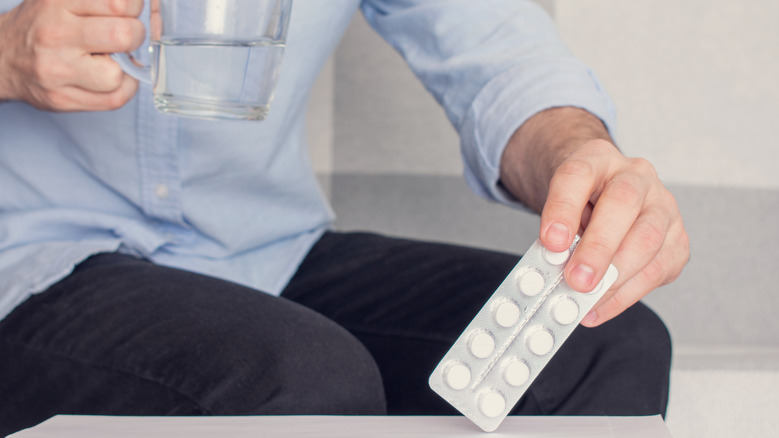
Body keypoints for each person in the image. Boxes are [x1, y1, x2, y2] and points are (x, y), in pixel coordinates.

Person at [0, 0, 689, 435]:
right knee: (304, 380)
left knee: (601, 342)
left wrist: (580, 155)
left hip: (264, 248)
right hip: (32, 258)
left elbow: (493, 47)